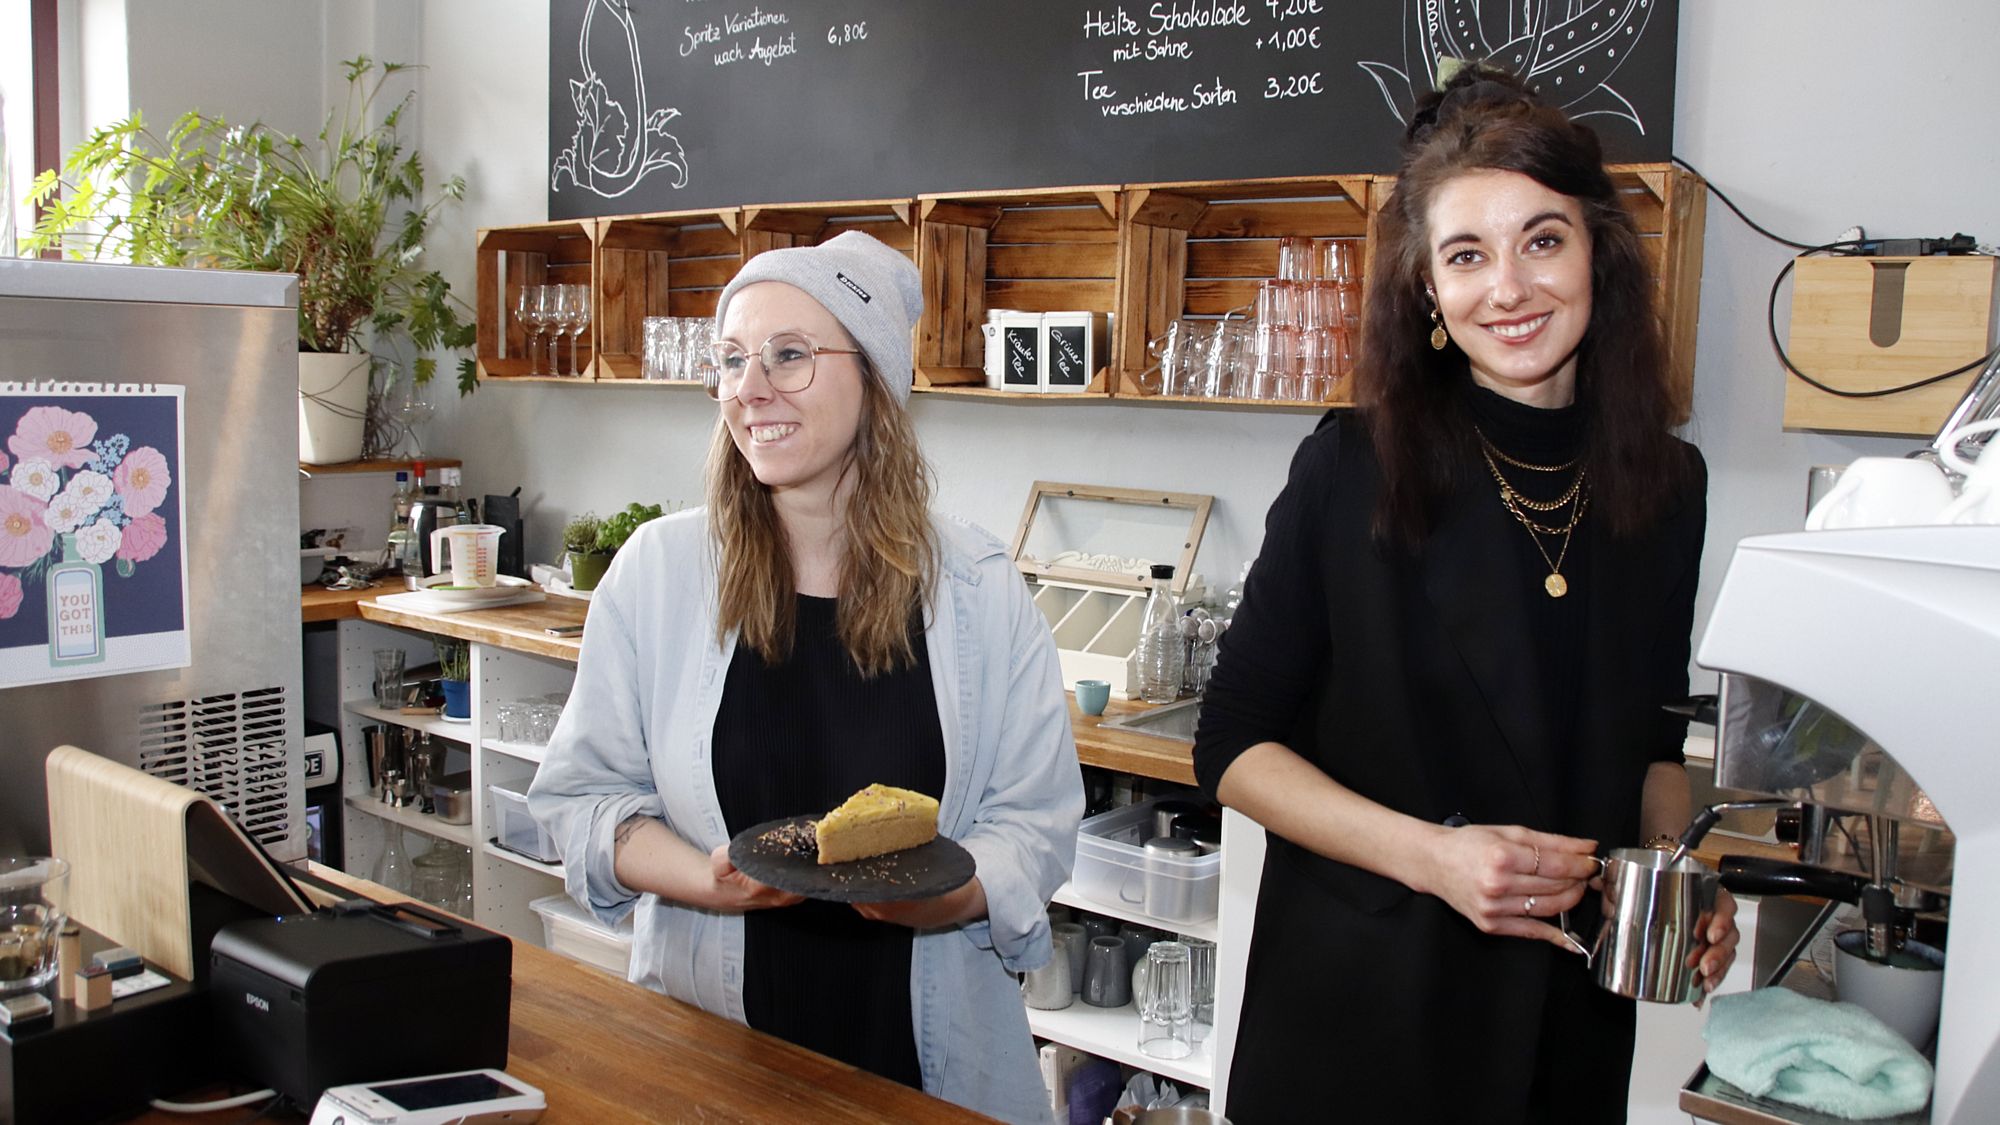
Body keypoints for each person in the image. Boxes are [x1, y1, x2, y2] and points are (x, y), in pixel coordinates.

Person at [1192, 68, 1735, 1124]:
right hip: (1365, 1010)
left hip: (1562, 1021)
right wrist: (1436, 859)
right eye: (1465, 255)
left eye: (1541, 240)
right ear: (1428, 292)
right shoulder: (1352, 467)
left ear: (1597, 255)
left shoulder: (1667, 487)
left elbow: (1654, 749)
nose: (1509, 288)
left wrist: (1678, 872)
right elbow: (1233, 747)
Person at [529, 231, 1083, 1123]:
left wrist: (955, 894)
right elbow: (583, 800)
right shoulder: (658, 573)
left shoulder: (977, 585)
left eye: (789, 356)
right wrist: (707, 878)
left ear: (875, 379)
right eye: (733, 360)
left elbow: (1038, 823)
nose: (749, 389)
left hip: (927, 1069)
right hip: (706, 1060)